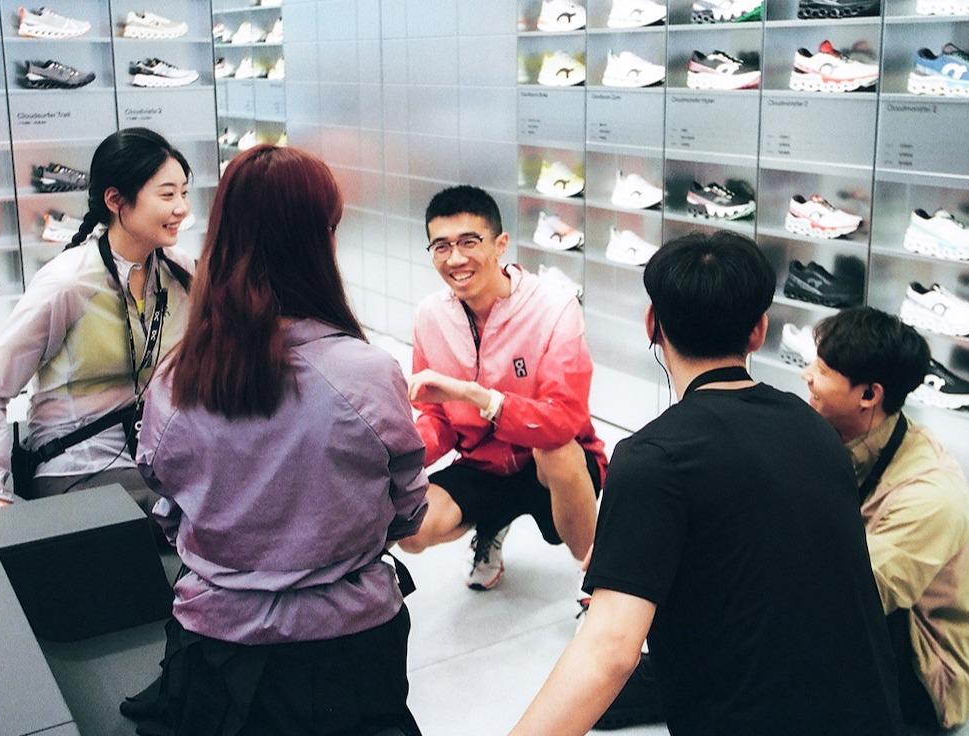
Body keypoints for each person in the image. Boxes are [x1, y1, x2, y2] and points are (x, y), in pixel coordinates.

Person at [511, 231, 904, 736]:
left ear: (652, 325)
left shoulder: (652, 457)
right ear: (759, 331)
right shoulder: (815, 430)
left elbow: (608, 652)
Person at [133, 145, 428, 736]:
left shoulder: (176, 380)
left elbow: (167, 509)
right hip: (348, 647)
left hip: (215, 650)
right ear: (319, 241)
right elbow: (408, 508)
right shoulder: (366, 374)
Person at [0, 128, 194, 512]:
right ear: (115, 199)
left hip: (157, 457)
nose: (181, 208)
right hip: (78, 463)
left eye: (184, 193)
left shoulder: (181, 274)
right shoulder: (70, 282)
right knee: (186, 519)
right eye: (167, 194)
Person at [399, 184, 607, 590]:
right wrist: (399, 458)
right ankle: (491, 524)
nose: (455, 259)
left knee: (559, 454)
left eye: (469, 242)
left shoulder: (555, 306)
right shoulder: (429, 316)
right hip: (482, 465)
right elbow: (436, 416)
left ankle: (598, 583)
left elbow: (564, 420)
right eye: (441, 247)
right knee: (411, 529)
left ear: (500, 245)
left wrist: (476, 396)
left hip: (548, 464)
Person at [803, 306, 969, 730]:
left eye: (822, 371)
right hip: (868, 625)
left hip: (924, 668)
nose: (807, 375)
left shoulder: (931, 494)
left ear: (868, 395)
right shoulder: (842, 436)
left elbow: (855, 597)